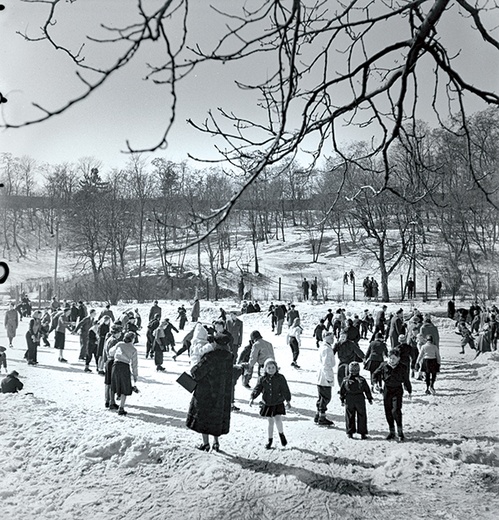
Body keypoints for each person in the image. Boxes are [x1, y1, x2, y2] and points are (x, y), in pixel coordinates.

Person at [186, 332, 234, 452]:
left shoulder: (209, 357)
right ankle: (216, 443)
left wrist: (195, 360)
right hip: (221, 394)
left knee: (204, 418)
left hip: (206, 393)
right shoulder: (229, 357)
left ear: (215, 343)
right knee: (216, 419)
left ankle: (206, 444)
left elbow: (196, 373)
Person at [249, 358, 291, 449]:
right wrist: (252, 397)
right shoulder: (262, 379)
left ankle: (281, 434)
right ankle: (270, 440)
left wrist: (288, 400)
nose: (271, 369)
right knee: (270, 422)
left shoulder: (280, 378)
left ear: (276, 368)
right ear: (265, 369)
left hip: (278, 402)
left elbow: (285, 390)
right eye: (269, 368)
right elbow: (257, 389)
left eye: (273, 367)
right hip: (267, 403)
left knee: (278, 419)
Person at [373, 348, 412, 441]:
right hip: (387, 390)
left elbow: (406, 380)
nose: (392, 360)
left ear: (398, 358)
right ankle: (392, 432)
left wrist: (409, 391)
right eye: (390, 358)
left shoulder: (403, 367)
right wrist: (375, 384)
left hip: (398, 390)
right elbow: (375, 374)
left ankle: (400, 432)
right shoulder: (384, 365)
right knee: (388, 411)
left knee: (396, 410)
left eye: (394, 358)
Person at [339, 361, 373, 439]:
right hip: (360, 398)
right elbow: (367, 389)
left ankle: (350, 432)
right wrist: (369, 398)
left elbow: (342, 391)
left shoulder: (346, 379)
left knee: (349, 415)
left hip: (349, 399)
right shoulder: (362, 379)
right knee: (362, 415)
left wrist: (342, 399)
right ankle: (362, 433)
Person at [109, 331, 138, 416]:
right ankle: (121, 408)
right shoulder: (133, 349)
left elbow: (111, 352)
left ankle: (111, 402)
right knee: (124, 387)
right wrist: (135, 375)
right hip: (125, 366)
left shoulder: (119, 344)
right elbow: (134, 364)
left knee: (114, 384)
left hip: (116, 365)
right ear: (132, 339)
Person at [315, 332, 335, 426]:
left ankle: (318, 415)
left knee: (321, 396)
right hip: (325, 375)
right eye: (331, 338)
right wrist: (329, 377)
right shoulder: (327, 349)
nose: (333, 339)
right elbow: (326, 364)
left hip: (320, 375)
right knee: (326, 397)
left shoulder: (324, 347)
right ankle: (322, 417)